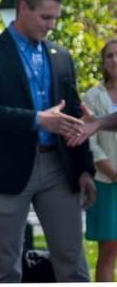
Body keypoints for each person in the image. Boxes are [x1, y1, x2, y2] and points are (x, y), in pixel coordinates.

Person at [0, 0, 95, 282]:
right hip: (8, 167)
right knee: (4, 262)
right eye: (45, 17)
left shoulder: (61, 56)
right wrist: (38, 119)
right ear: (23, 9)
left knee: (72, 258)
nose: (51, 25)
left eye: (55, 18)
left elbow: (75, 115)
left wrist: (85, 170)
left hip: (58, 167)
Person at [80, 39, 117, 282]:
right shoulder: (92, 96)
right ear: (103, 62)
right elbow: (90, 143)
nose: (115, 60)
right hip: (106, 182)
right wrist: (114, 173)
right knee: (109, 250)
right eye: (110, 56)